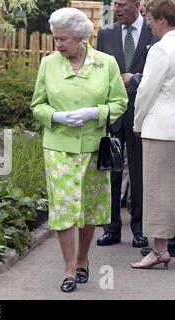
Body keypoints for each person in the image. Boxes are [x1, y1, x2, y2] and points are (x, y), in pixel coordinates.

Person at [31, 7, 127, 293]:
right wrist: (56, 117)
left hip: (94, 147)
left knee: (86, 208)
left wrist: (93, 113)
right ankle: (69, 268)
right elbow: (37, 105)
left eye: (63, 39)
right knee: (63, 206)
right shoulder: (48, 64)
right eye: (56, 38)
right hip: (58, 146)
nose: (58, 44)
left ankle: (83, 259)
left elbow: (119, 103)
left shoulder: (106, 63)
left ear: (81, 37)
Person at [96, 0, 159, 248]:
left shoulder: (153, 34)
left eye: (122, 4)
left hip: (142, 114)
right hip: (113, 115)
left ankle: (140, 229)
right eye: (114, 5)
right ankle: (111, 228)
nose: (116, 9)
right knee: (111, 170)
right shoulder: (105, 35)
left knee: (139, 171)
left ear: (136, 5)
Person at [131, 0, 175, 269]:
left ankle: (159, 250)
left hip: (161, 128)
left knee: (159, 190)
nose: (148, 25)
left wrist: (137, 123)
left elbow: (146, 91)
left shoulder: (161, 49)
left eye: (149, 20)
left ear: (160, 19)